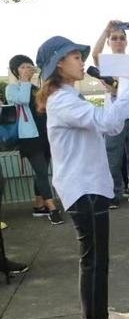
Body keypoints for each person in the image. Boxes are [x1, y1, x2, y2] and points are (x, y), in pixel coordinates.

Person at [36, 35, 129, 319]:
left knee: (99, 256)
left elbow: (111, 126)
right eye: (74, 57)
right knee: (93, 259)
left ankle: (99, 313)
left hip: (89, 185)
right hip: (82, 188)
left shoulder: (69, 96)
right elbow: (105, 122)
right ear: (58, 64)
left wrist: (114, 95)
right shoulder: (62, 100)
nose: (81, 61)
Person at [92, 20, 129, 207]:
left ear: (126, 42)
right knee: (112, 158)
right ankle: (113, 193)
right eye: (114, 38)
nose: (118, 41)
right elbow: (94, 54)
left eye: (121, 38)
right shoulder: (106, 62)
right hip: (113, 116)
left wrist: (117, 90)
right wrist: (105, 30)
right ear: (109, 42)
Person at [5, 55, 63, 225]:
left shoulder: (35, 87)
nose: (26, 70)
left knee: (42, 171)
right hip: (29, 137)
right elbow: (22, 100)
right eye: (22, 67)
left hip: (44, 134)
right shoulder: (12, 89)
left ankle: (39, 206)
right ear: (16, 71)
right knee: (42, 172)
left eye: (28, 66)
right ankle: (52, 208)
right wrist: (24, 80)